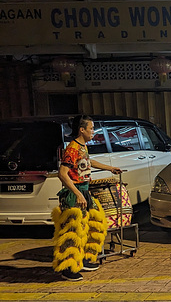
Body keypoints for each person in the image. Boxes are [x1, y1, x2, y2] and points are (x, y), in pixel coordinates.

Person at [53, 115, 122, 281]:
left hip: (83, 190)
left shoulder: (82, 147)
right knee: (73, 231)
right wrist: (77, 193)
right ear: (81, 130)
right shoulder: (72, 148)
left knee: (91, 224)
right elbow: (62, 174)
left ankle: (82, 259)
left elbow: (88, 162)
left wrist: (110, 168)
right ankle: (67, 268)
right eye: (91, 128)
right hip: (74, 193)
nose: (93, 131)